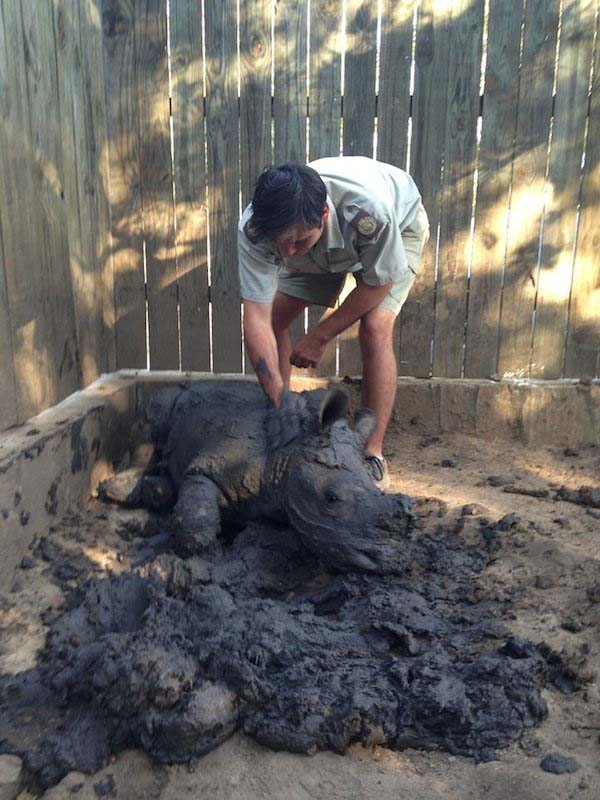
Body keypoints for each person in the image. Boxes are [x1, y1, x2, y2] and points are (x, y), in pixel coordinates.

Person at [238, 156, 429, 490]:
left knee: (375, 327)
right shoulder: (259, 228)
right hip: (323, 247)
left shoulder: (370, 211)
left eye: (297, 241)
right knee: (276, 317)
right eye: (280, 243)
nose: (288, 253)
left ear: (323, 214)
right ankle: (282, 426)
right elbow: (256, 318)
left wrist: (320, 335)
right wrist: (283, 402)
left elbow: (378, 283)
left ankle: (373, 453)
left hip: (398, 227)